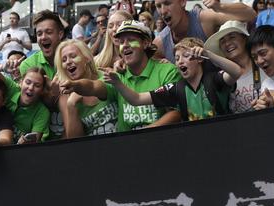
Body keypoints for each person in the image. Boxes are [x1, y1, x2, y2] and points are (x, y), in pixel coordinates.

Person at [63, 21, 182, 131]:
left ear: (145, 43)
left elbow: (175, 114)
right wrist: (75, 85)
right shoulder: (118, 76)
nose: (125, 45)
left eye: (130, 40)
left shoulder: (167, 71)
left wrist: (144, 135)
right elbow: (93, 86)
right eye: (121, 42)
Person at [108, 37, 242, 122]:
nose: (180, 62)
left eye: (185, 56)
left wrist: (209, 54)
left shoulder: (214, 80)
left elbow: (236, 71)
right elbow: (136, 99)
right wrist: (118, 83)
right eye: (177, 58)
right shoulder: (176, 89)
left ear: (200, 58)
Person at [153, 0, 257, 63]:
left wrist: (221, 7)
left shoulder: (204, 19)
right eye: (158, 6)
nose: (163, 11)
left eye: (167, 3)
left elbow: (250, 15)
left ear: (183, 2)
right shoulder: (159, 44)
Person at [55, 39, 120, 137]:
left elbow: (92, 86)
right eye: (63, 60)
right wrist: (71, 105)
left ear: (87, 58)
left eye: (73, 56)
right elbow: (75, 142)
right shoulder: (65, 95)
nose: (68, 62)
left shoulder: (107, 76)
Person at [204, 20, 267, 114]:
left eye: (232, 37)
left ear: (245, 39)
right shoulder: (221, 77)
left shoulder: (264, 65)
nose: (227, 43)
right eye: (222, 41)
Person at [0, 62, 50, 143]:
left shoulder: (42, 112)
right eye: (28, 82)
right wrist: (2, 67)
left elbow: (35, 141)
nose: (31, 88)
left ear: (42, 90)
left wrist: (24, 144)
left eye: (37, 85)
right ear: (21, 82)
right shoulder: (11, 88)